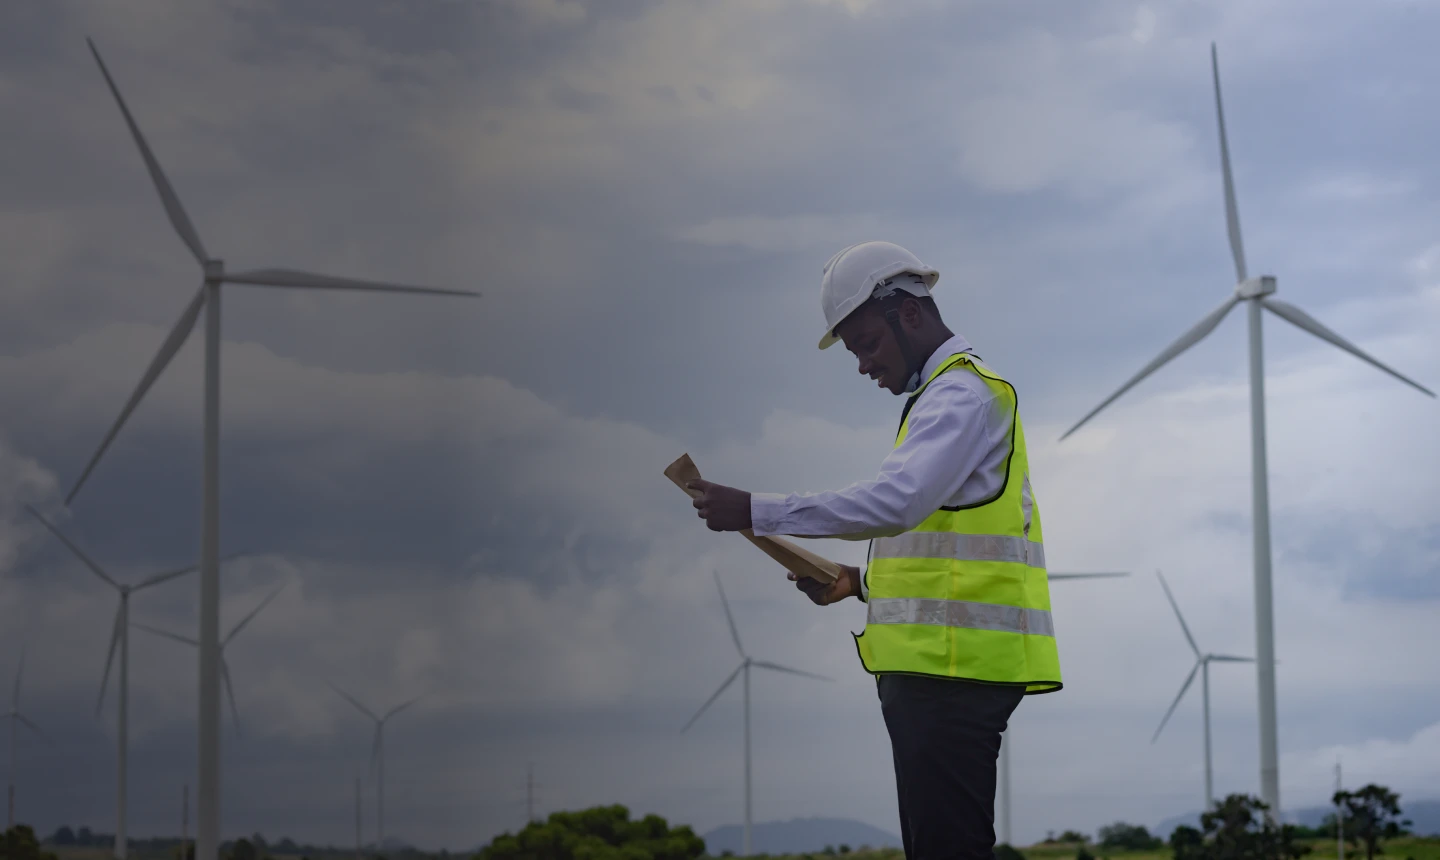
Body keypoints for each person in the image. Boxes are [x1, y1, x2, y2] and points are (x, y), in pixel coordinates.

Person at [686, 240, 1062, 860]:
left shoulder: (961, 397)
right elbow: (944, 549)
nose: (863, 365)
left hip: (951, 674)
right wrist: (859, 582)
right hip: (946, 671)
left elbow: (894, 504)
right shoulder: (945, 399)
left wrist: (753, 509)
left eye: (867, 343)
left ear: (908, 313)